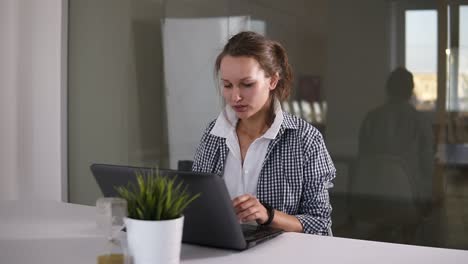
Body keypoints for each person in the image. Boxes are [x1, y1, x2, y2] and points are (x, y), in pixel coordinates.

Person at [192, 31, 336, 235]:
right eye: (227, 85)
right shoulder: (213, 134)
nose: (235, 96)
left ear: (273, 81)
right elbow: (197, 207)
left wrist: (268, 215)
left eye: (247, 84)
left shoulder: (306, 139)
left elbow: (320, 224)